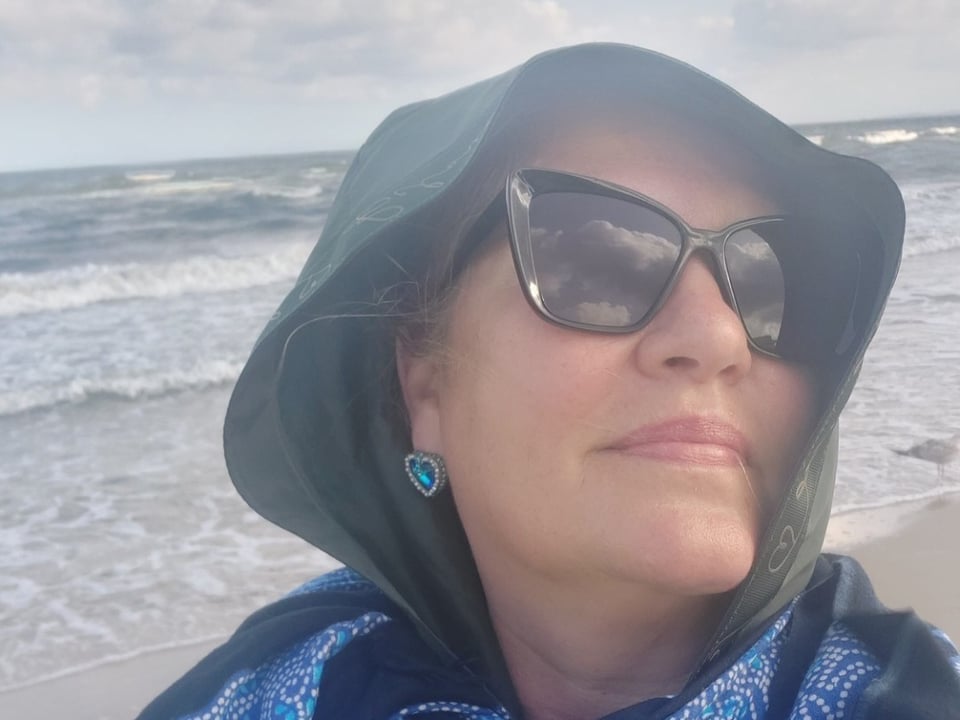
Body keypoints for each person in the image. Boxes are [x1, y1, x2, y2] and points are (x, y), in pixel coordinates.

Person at [139, 43, 960, 719]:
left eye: (775, 280)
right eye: (598, 260)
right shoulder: (277, 692)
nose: (718, 337)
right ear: (424, 387)